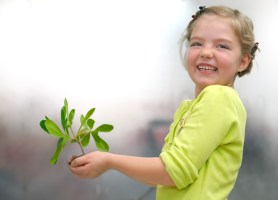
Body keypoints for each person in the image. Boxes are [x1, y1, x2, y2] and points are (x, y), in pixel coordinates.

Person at [68, 5, 259, 200]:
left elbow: (173, 172)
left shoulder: (219, 98)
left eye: (222, 46)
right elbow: (163, 175)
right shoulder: (192, 106)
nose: (206, 52)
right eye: (196, 43)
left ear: (243, 61)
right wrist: (106, 163)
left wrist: (109, 161)